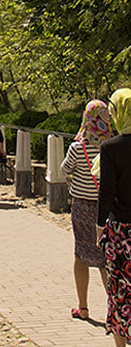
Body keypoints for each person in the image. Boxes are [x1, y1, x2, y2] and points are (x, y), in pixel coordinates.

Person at [61, 100, 112, 320]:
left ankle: (83, 307)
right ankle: (116, 309)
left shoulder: (78, 147)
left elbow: (65, 169)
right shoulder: (112, 145)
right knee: (106, 258)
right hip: (107, 207)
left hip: (82, 205)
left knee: (81, 253)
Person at [97, 89, 131, 347]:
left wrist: (99, 227)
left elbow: (105, 193)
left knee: (119, 287)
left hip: (121, 230)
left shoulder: (110, 148)